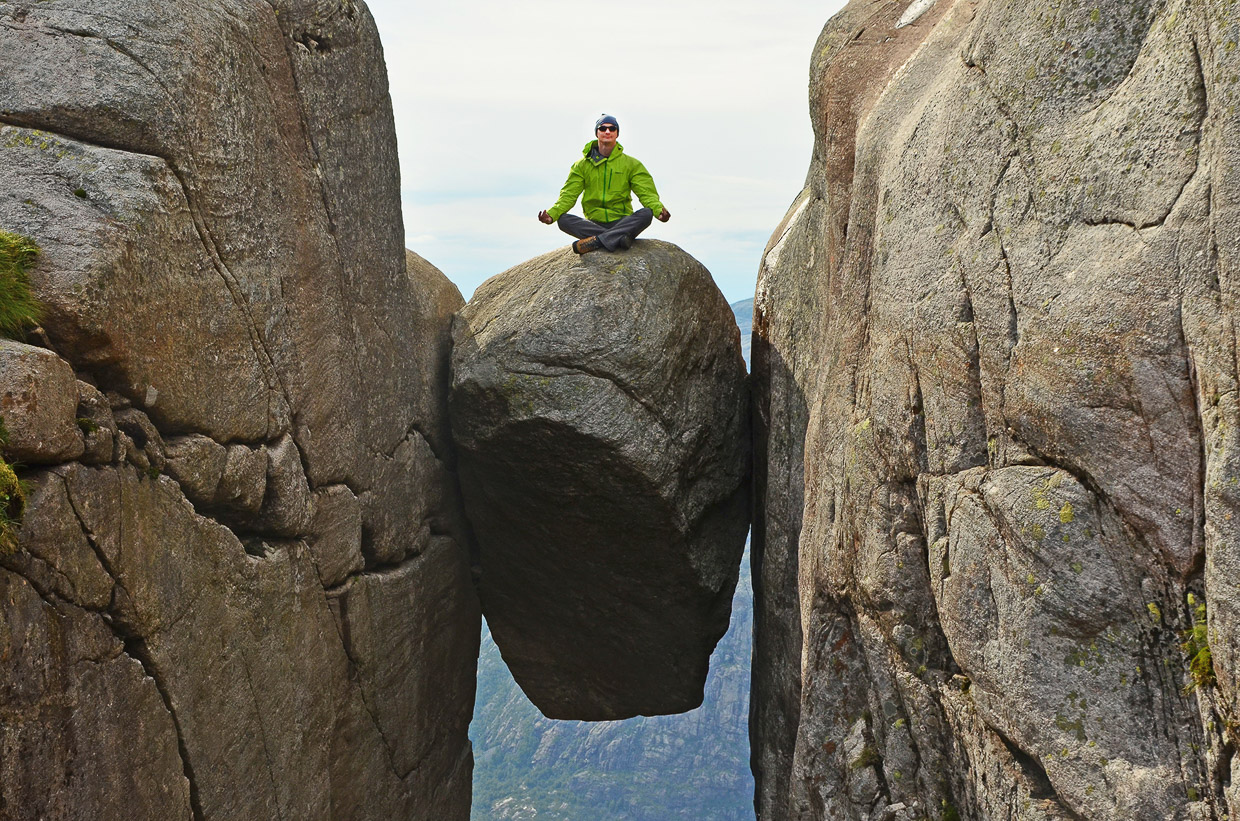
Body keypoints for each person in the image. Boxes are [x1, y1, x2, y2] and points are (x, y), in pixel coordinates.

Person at [538, 115, 671, 254]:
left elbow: (646, 193)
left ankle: (597, 241)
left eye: (612, 128)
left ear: (617, 134)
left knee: (646, 214)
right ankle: (619, 238)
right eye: (603, 128)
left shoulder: (632, 164)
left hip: (622, 221)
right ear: (597, 133)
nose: (607, 131)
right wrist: (552, 215)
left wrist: (658, 211)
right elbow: (568, 195)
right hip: (593, 223)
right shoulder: (581, 165)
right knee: (563, 220)